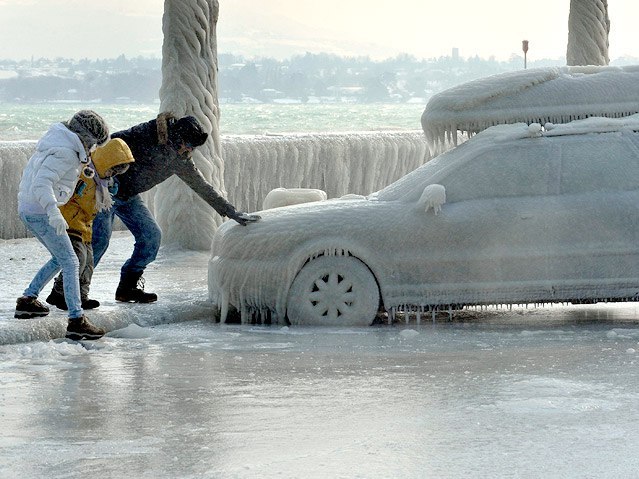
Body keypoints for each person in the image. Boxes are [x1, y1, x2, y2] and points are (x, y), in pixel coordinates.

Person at [92, 112, 260, 303]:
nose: (188, 150)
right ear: (176, 136)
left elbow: (202, 187)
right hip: (105, 192)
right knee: (99, 242)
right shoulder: (145, 134)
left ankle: (127, 288)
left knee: (151, 237)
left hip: (129, 197)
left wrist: (231, 212)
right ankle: (67, 290)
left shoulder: (180, 160)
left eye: (192, 148)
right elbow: (107, 145)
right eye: (187, 144)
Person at [15, 110, 110, 341]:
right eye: (94, 144)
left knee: (61, 258)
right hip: (40, 212)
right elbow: (41, 183)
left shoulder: (60, 143)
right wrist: (53, 212)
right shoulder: (66, 153)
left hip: (29, 209)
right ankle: (76, 321)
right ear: (86, 138)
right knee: (71, 261)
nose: (93, 149)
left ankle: (27, 301)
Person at [45, 138, 135, 311]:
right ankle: (60, 293)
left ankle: (81, 296)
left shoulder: (102, 182)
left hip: (85, 226)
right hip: (71, 223)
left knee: (88, 263)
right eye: (112, 169)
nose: (113, 174)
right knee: (77, 259)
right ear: (105, 161)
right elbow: (69, 198)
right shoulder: (84, 175)